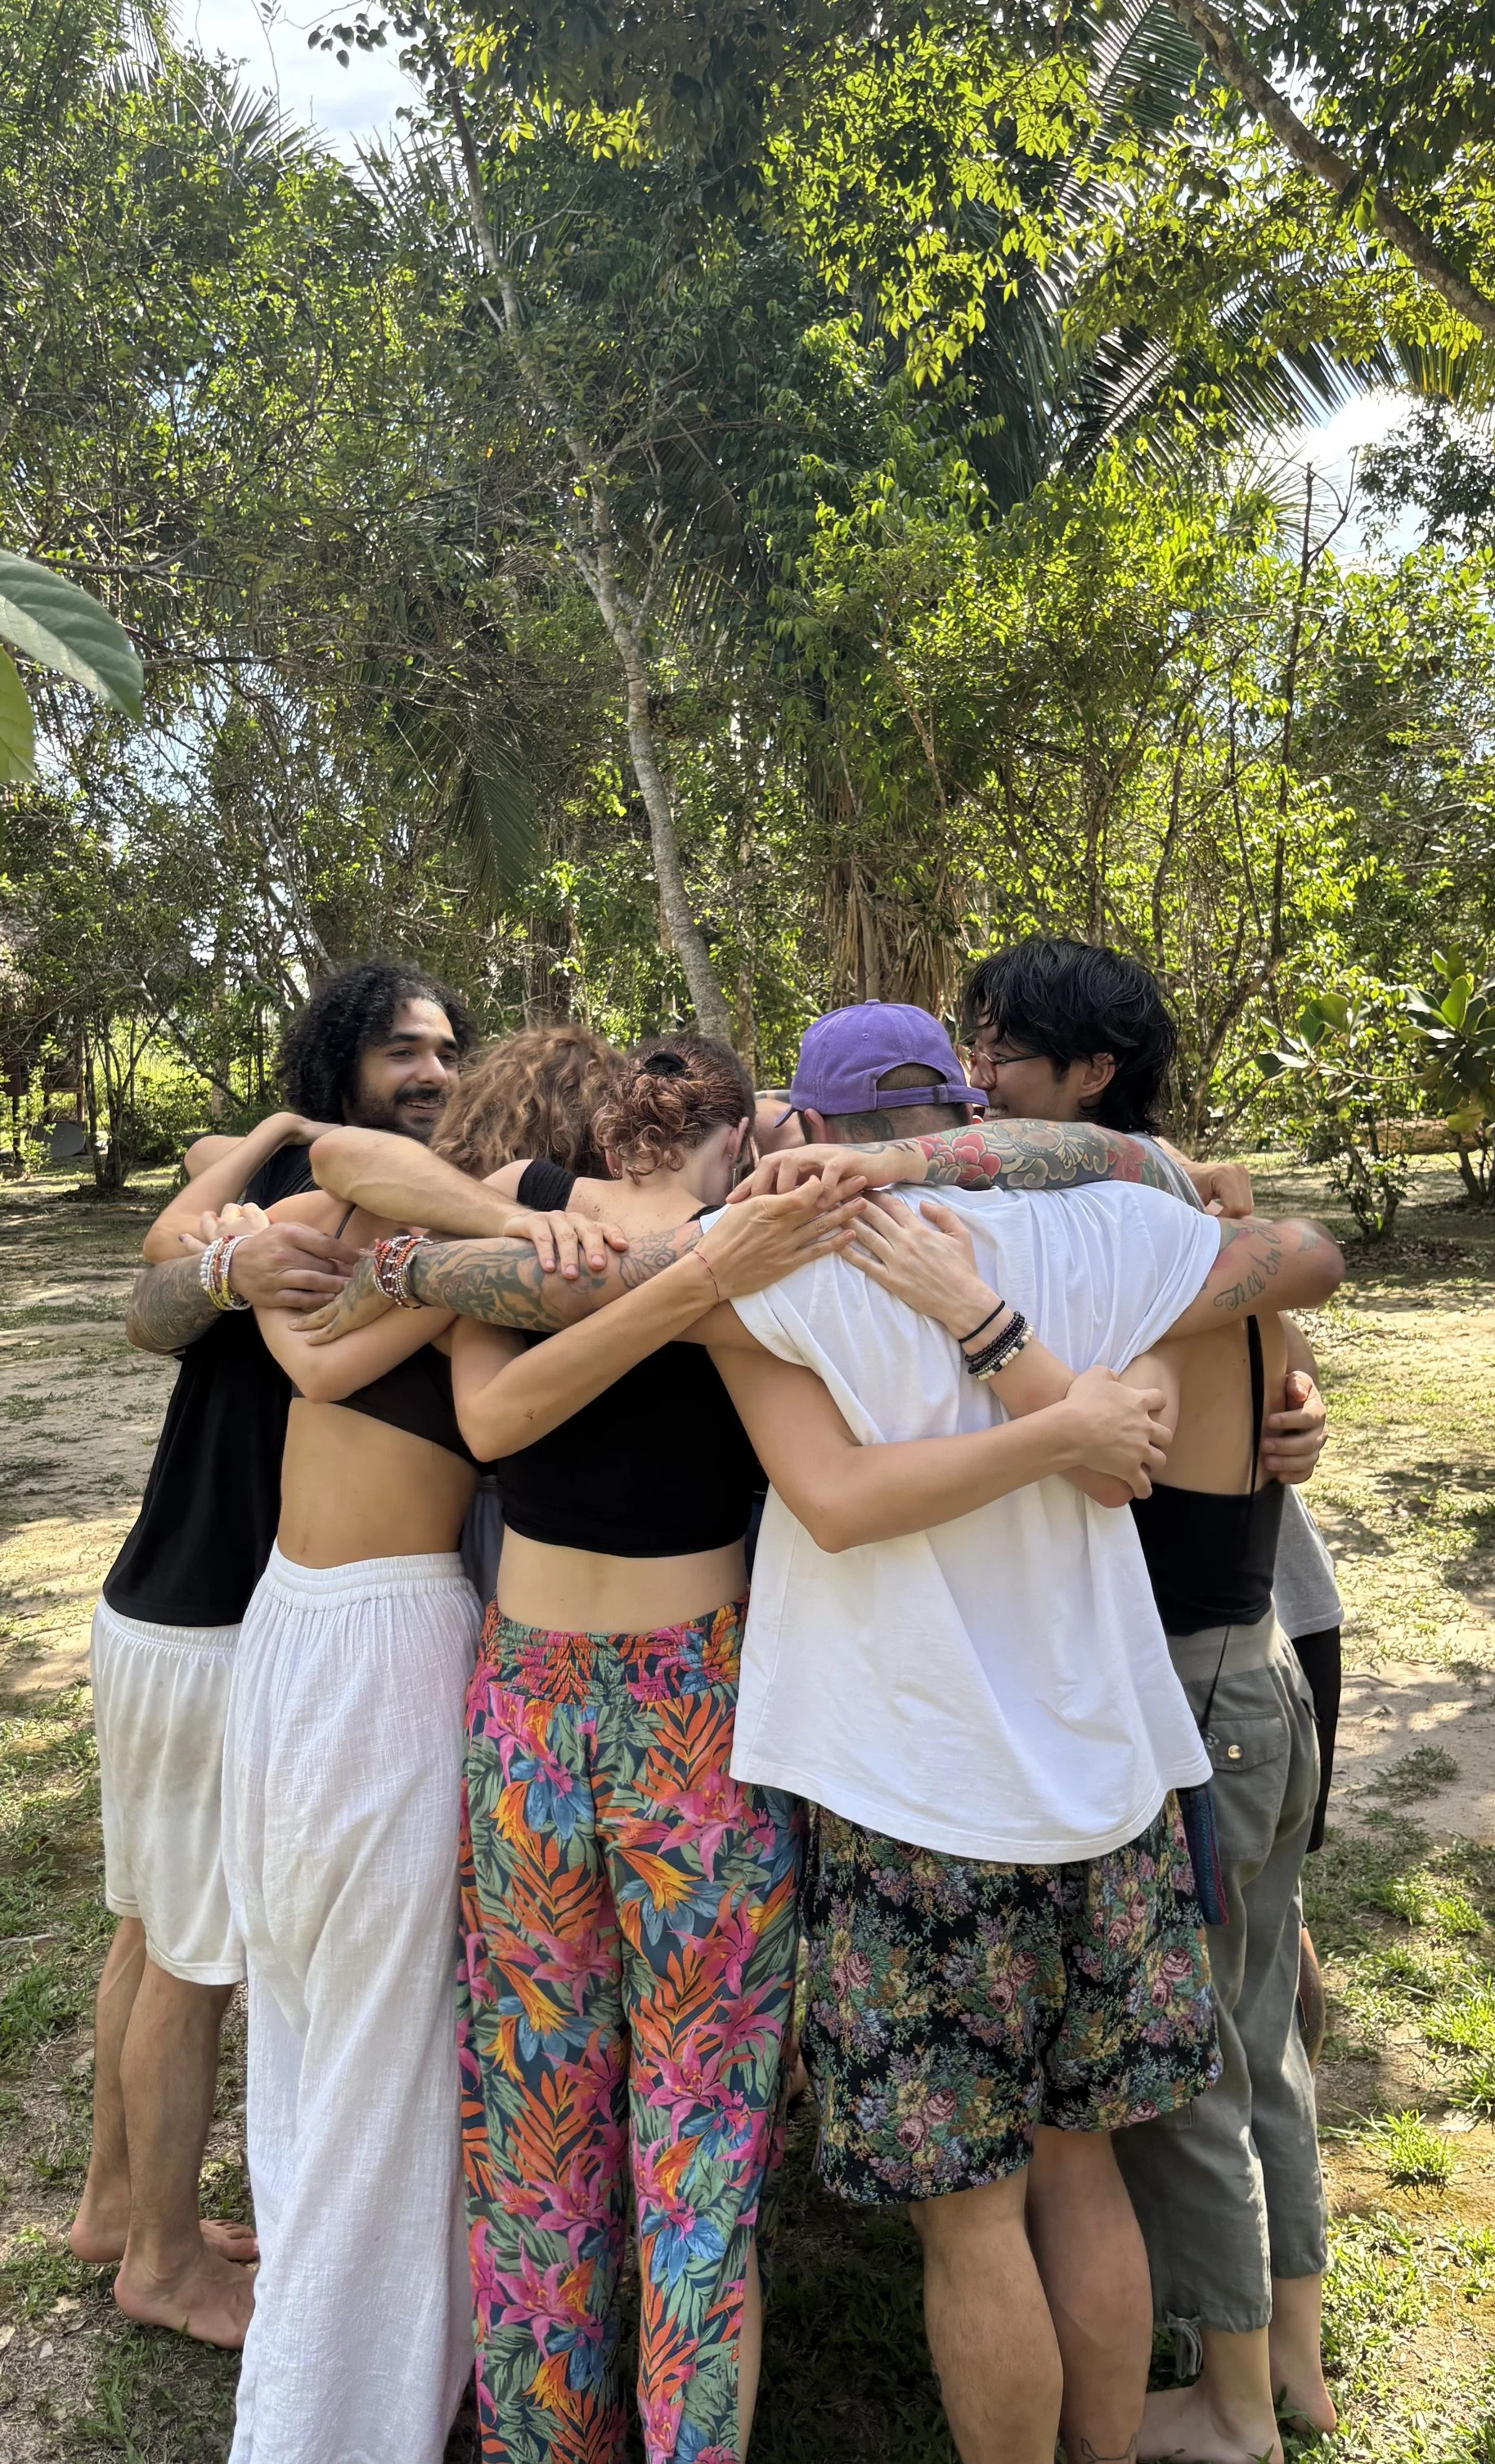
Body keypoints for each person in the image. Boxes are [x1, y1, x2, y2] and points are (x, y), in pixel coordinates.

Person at [305, 1009, 1343, 2464]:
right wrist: (1101, 1331)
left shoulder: (756, 1267)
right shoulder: (1096, 1234)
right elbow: (1298, 1264)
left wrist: (444, 1254)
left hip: (792, 1754)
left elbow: (491, 1367)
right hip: (1047, 1765)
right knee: (795, 2146)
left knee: (566, 2116)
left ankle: (552, 2436)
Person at [173, 1026, 634, 2464]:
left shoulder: (370, 1223)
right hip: (382, 1639)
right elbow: (322, 1331)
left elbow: (301, 1270)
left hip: (289, 1623)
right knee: (384, 2034)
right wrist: (500, 1232)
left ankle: (339, 2364)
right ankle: (331, 2419)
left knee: (311, 2012)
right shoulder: (477, 1233)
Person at [959, 936, 1339, 2457]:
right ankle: (1293, 2356)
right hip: (1256, 1674)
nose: (978, 1079)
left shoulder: (1134, 1242)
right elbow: (1281, 1370)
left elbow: (1100, 1437)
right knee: (1260, 2033)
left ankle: (1236, 2410)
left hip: (1198, 1689)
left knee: (1197, 2076)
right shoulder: (1195, 1226)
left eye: (1001, 1052)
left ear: (1090, 1076)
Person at [67, 961, 469, 2348]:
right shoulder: (315, 1201)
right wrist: (259, 1175)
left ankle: (114, 2207)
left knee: (153, 1933)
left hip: (169, 1600)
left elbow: (188, 1206)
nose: (432, 1071)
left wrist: (249, 1152)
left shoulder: (314, 1187)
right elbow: (156, 1284)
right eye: (402, 1050)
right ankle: (163, 2264)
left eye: (446, 1050)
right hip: (215, 1620)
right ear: (337, 1062)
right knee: (194, 1958)